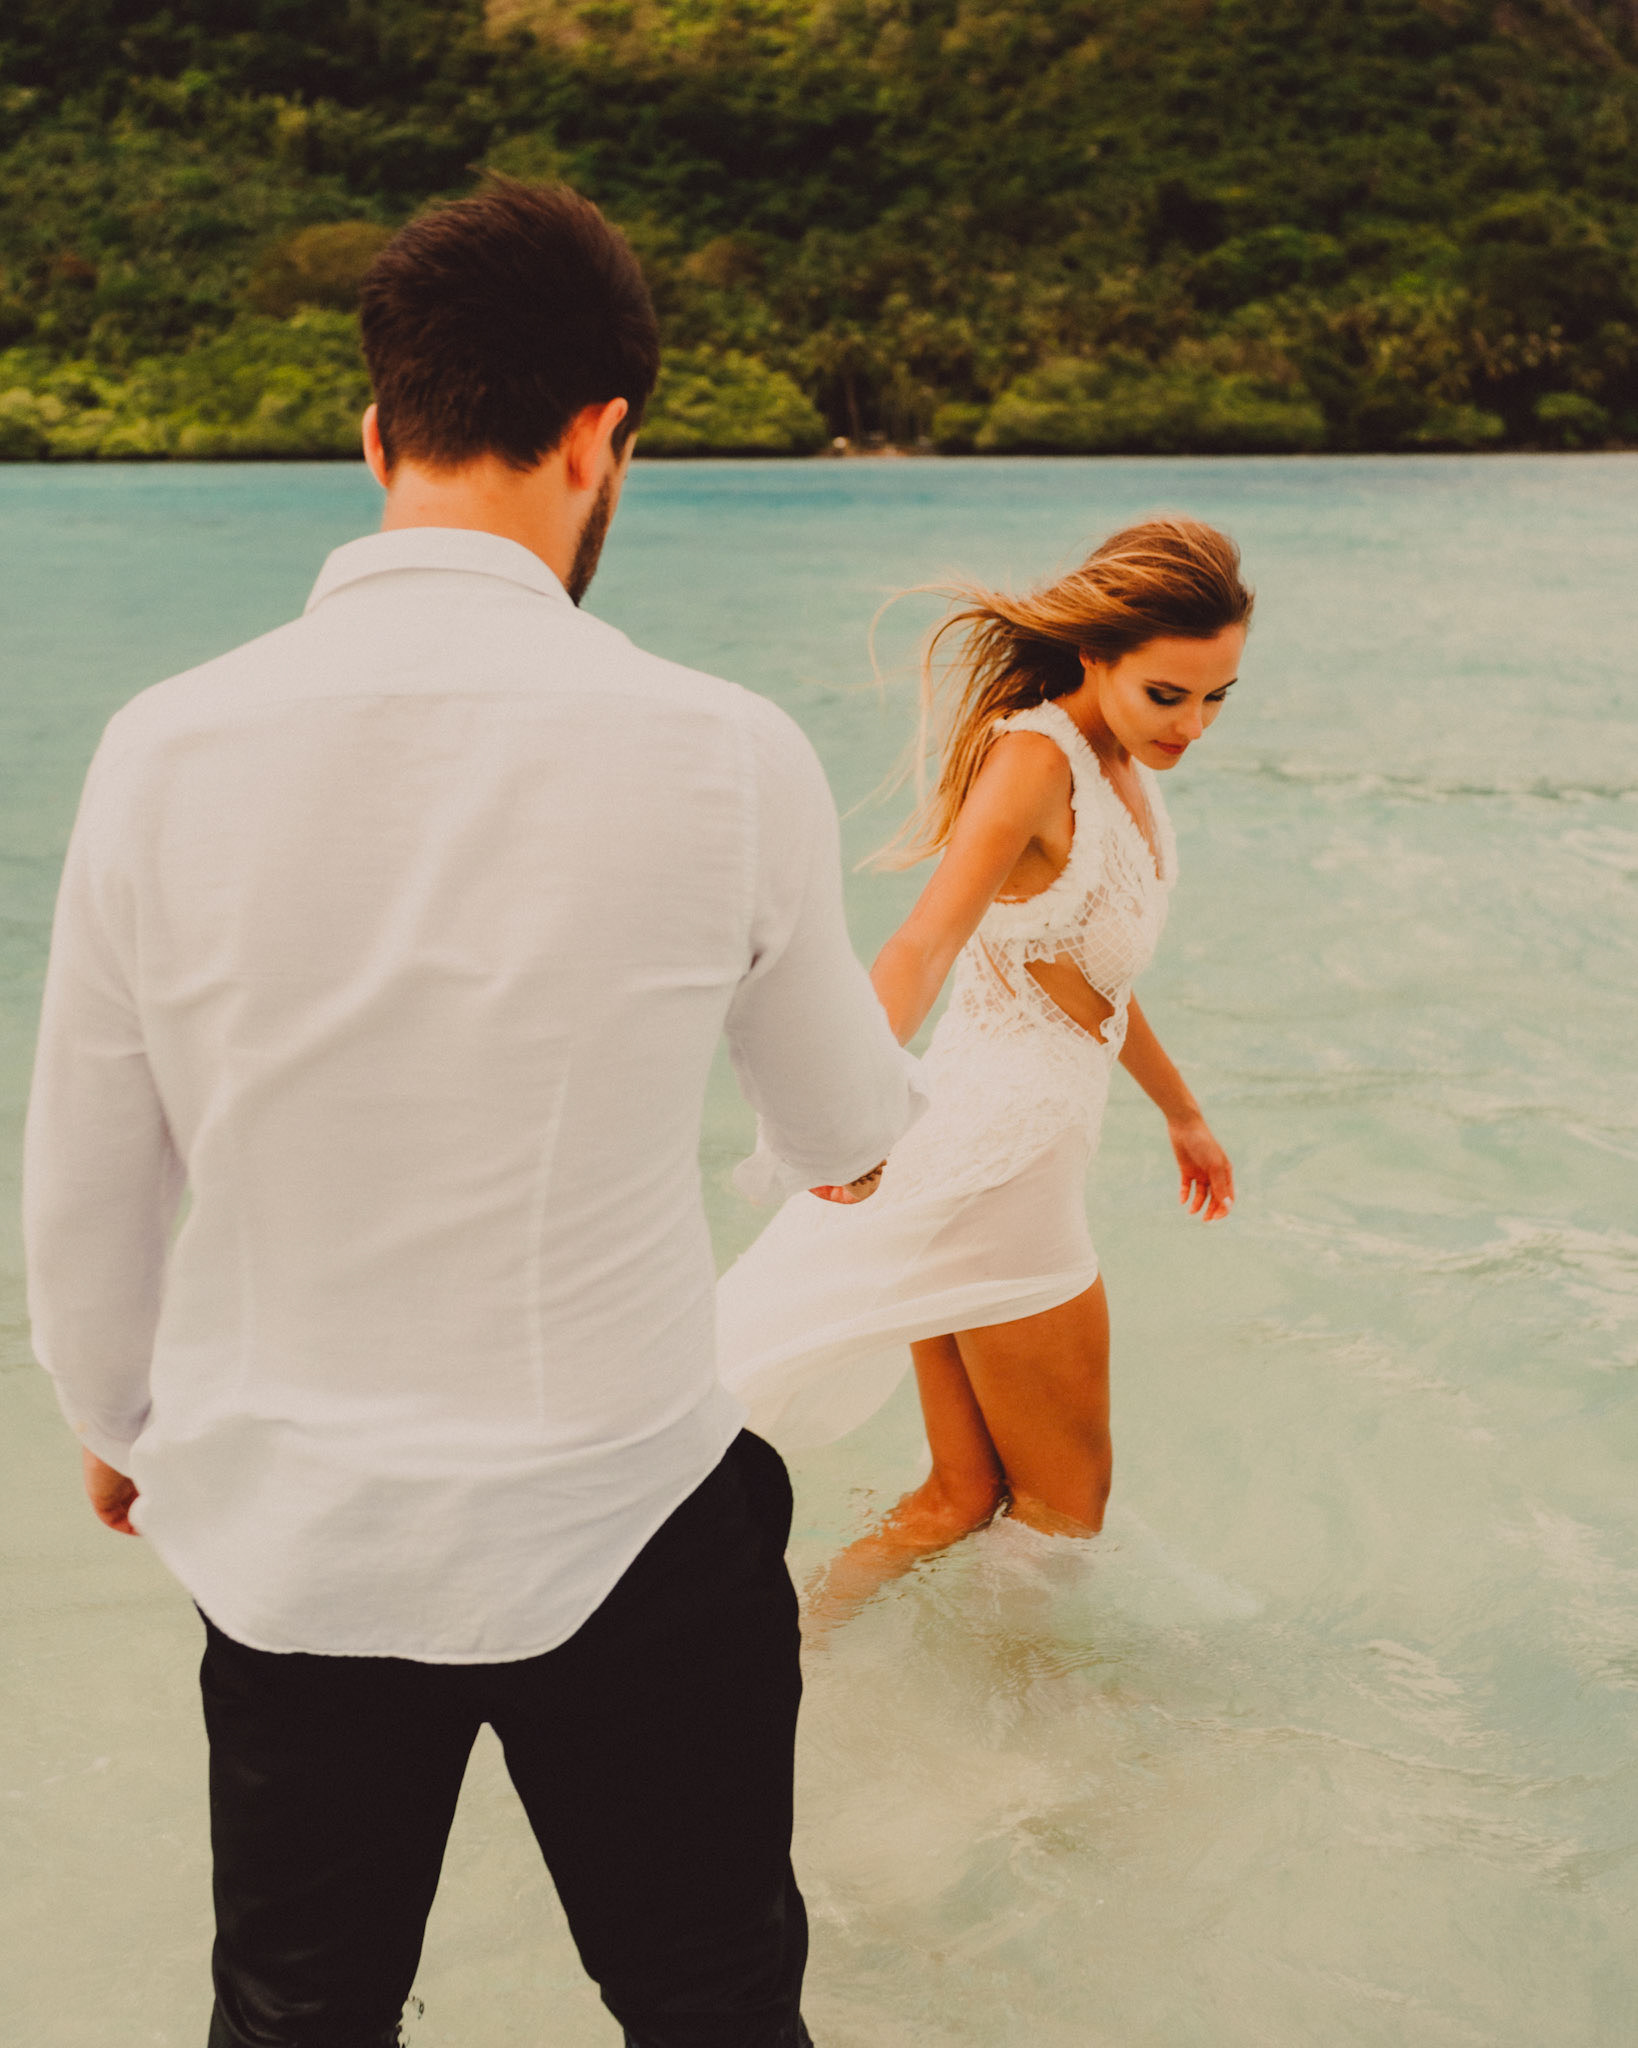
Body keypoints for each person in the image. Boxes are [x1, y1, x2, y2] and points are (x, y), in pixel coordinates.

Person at [23, 179, 924, 2048]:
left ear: (374, 431)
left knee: (294, 2014)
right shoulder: (722, 747)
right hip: (625, 1508)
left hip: (293, 1523)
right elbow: (844, 1138)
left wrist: (118, 1418)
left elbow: (94, 1166)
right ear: (605, 432)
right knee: (707, 2002)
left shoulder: (158, 747)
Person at [717, 518, 1248, 1620]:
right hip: (1004, 1171)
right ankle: (1031, 1736)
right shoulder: (1034, 759)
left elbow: (1090, 977)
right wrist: (845, 1107)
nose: (1193, 726)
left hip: (983, 1144)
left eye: (1215, 698)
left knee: (961, 1493)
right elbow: (921, 942)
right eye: (1169, 695)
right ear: (1097, 654)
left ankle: (793, 1655)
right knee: (1065, 1508)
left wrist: (1183, 1112)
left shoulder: (1119, 764)